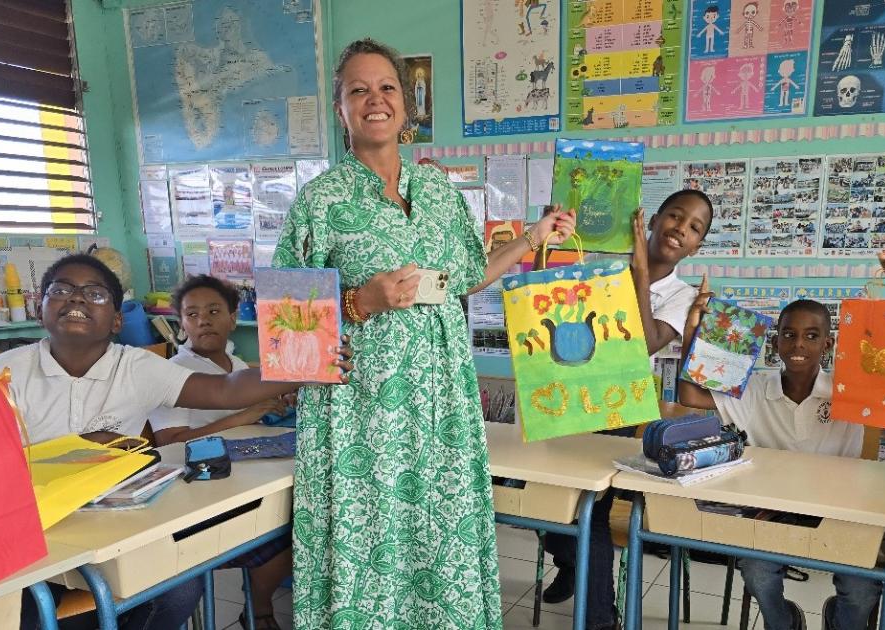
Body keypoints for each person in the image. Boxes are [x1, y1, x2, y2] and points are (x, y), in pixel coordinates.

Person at [271, 38, 575, 629]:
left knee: (441, 534)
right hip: (360, 416)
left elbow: (463, 277)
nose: (374, 100)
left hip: (441, 402)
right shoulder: (319, 202)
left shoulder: (438, 194)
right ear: (341, 111)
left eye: (386, 88)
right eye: (357, 90)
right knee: (373, 542)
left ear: (407, 108)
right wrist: (361, 301)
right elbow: (287, 330)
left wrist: (533, 236)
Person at [0, 255, 347, 630]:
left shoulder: (137, 367)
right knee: (23, 612)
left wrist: (313, 363)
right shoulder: (6, 371)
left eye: (94, 294)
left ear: (117, 320)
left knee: (180, 588)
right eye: (60, 290)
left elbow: (225, 389)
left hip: (117, 524)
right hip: (34, 531)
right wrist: (85, 446)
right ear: (40, 308)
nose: (76, 299)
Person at [676, 253, 885, 630]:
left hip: (839, 510)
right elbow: (690, 394)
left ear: (828, 342)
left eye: (811, 335)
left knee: (862, 588)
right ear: (775, 341)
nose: (798, 344)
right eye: (788, 334)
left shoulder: (848, 389)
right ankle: (783, 621)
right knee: (755, 569)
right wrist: (694, 326)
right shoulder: (755, 388)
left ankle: (839, 619)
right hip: (772, 509)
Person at [540, 190, 715, 629]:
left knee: (592, 511)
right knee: (549, 501)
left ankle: (601, 619)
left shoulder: (681, 295)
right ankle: (569, 560)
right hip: (564, 399)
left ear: (697, 245)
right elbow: (551, 304)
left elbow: (643, 343)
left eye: (694, 227)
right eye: (675, 216)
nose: (681, 228)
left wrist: (639, 270)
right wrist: (548, 244)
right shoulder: (600, 268)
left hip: (618, 411)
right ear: (653, 219)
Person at [148, 274, 292, 630]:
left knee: (292, 525)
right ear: (180, 324)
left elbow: (253, 420)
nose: (203, 320)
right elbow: (169, 441)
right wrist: (244, 415)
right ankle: (259, 611)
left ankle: (257, 607)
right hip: (199, 491)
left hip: (242, 477)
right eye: (192, 314)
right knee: (276, 528)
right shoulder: (173, 373)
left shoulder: (239, 367)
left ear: (233, 316)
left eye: (214, 310)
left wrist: (275, 403)